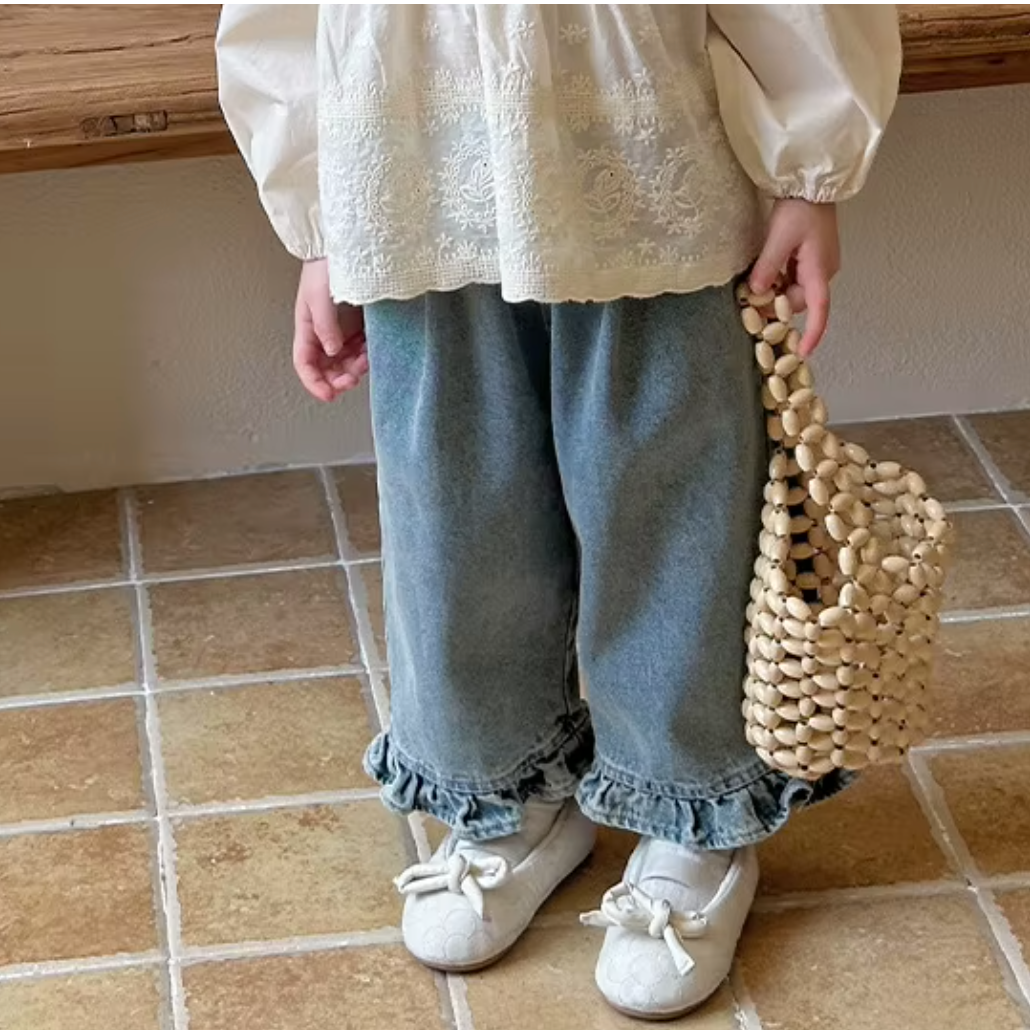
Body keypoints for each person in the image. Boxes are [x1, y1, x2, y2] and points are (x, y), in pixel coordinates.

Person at [216, 5, 901, 1019]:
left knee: (667, 495)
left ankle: (690, 812)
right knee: (451, 496)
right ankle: (502, 792)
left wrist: (810, 163)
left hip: (638, 140)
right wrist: (319, 220)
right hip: (410, 152)